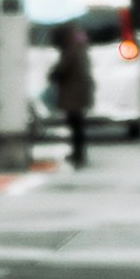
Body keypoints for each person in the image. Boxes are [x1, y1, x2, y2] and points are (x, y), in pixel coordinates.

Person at [47, 10, 100, 169]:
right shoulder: (80, 44)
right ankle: (78, 153)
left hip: (73, 92)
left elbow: (63, 68)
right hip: (80, 90)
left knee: (75, 123)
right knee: (77, 123)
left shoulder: (71, 48)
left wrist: (53, 74)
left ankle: (78, 154)